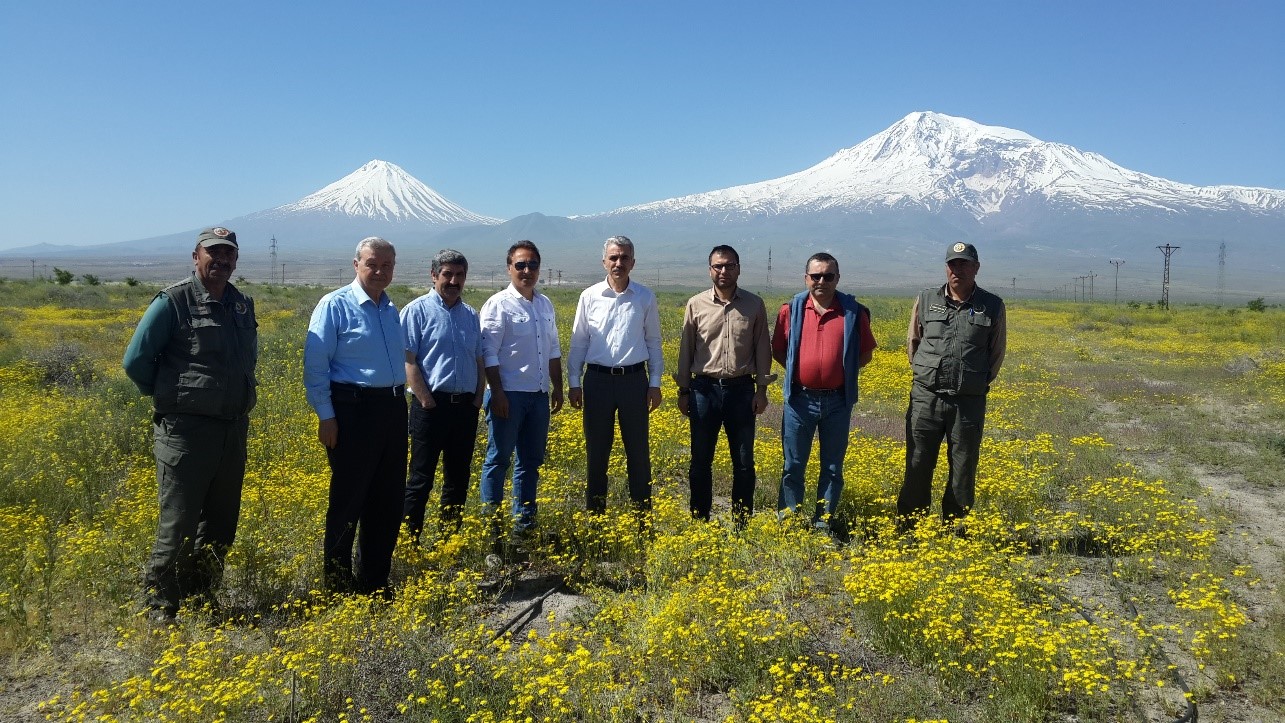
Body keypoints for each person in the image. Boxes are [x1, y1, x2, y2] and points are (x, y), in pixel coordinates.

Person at [123, 226, 258, 622]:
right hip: (185, 432)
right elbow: (135, 362)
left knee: (221, 522)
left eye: (228, 254)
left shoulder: (240, 304)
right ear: (196, 256)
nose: (221, 260)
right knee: (179, 519)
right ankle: (160, 604)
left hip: (231, 429)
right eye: (212, 253)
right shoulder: (173, 301)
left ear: (236, 260)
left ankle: (202, 595)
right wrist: (173, 397)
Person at [303, 237, 407, 596]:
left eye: (386, 265)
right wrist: (327, 416)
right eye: (372, 264)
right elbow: (315, 367)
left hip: (393, 409)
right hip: (353, 410)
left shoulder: (391, 309)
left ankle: (374, 581)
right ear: (356, 264)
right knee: (349, 501)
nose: (379, 271)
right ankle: (336, 584)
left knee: (388, 501)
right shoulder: (335, 305)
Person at [897, 242, 1007, 531]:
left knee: (964, 466)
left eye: (964, 264)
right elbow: (913, 343)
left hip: (968, 402)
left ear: (976, 268)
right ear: (946, 268)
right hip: (926, 398)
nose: (957, 269)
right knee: (918, 463)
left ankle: (955, 529)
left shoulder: (991, 305)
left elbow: (996, 353)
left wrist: (974, 381)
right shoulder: (926, 299)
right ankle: (911, 526)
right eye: (952, 264)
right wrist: (927, 374)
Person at [772, 252, 877, 530]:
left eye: (828, 276)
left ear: (837, 278)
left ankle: (823, 523)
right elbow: (779, 350)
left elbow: (865, 353)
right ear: (806, 278)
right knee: (793, 464)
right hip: (799, 399)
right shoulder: (791, 310)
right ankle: (789, 521)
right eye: (815, 276)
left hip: (838, 401)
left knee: (832, 468)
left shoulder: (853, 312)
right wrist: (802, 372)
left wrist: (839, 376)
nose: (821, 281)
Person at [675, 245, 774, 524]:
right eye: (718, 266)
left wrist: (762, 390)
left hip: (741, 390)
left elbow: (762, 350)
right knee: (700, 461)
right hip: (703, 389)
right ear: (710, 270)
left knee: (743, 462)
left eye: (729, 265)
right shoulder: (696, 304)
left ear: (738, 269)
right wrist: (683, 390)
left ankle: (741, 521)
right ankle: (699, 519)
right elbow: (686, 349)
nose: (723, 271)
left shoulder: (754, 305)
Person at [568, 235, 663, 514]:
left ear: (633, 262)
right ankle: (596, 515)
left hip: (634, 381)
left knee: (638, 452)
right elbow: (579, 343)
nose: (618, 263)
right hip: (597, 381)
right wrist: (574, 383)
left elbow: (653, 342)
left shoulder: (645, 297)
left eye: (624, 257)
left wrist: (655, 383)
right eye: (613, 257)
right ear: (604, 262)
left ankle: (642, 517)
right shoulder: (589, 296)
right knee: (597, 453)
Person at [479, 240, 564, 533]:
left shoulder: (544, 303)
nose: (527, 270)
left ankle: (524, 524)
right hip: (508, 394)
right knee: (499, 459)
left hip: (538, 396)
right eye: (520, 265)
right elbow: (488, 353)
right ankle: (492, 526)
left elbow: (553, 349)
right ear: (509, 268)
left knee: (530, 461)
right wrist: (497, 392)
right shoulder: (498, 304)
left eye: (533, 265)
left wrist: (558, 387)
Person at [400, 249, 485, 541]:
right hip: (430, 407)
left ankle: (449, 540)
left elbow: (478, 360)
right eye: (447, 274)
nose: (453, 281)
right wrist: (425, 400)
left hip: (464, 408)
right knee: (420, 479)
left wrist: (477, 399)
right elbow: (408, 361)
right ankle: (409, 541)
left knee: (458, 479)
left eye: (459, 275)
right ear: (434, 275)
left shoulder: (471, 315)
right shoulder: (416, 311)